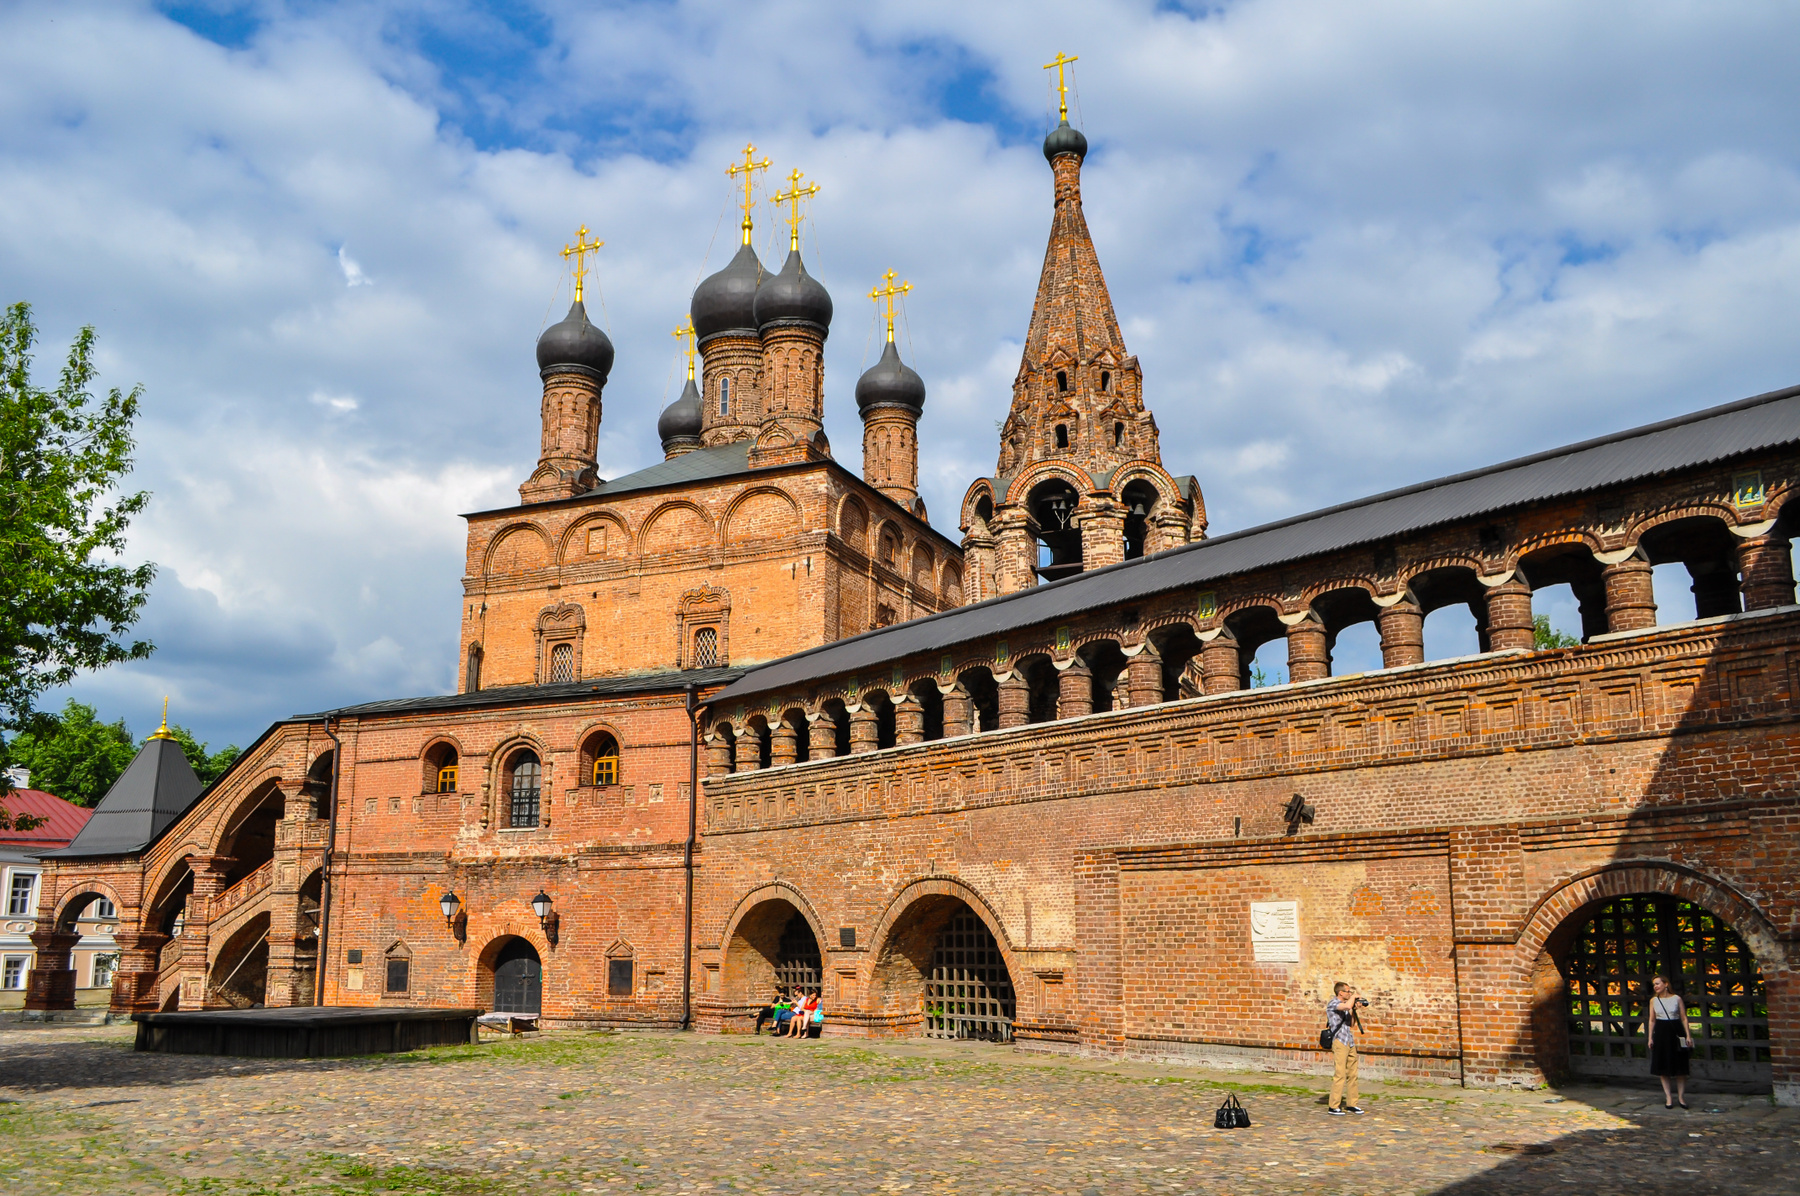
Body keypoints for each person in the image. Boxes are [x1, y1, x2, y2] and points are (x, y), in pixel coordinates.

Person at [1647, 974, 1691, 1109]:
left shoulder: (1677, 999)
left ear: (1666, 984)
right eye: (1654, 984)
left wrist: (1688, 1035)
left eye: (1658, 983)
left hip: (1675, 1031)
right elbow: (1652, 1020)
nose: (1655, 986)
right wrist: (1650, 1037)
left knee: (1680, 1067)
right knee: (1663, 1066)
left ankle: (1681, 1097)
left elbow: (1683, 1017)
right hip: (1661, 1032)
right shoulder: (1654, 1000)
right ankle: (1668, 1097)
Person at [1325, 981, 1366, 1115]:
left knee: (1352, 1074)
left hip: (1349, 1041)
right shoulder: (1333, 1003)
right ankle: (1334, 1106)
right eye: (1348, 991)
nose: (1349, 993)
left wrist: (1354, 1009)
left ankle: (1352, 1104)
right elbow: (1346, 1006)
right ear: (1340, 992)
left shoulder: (1347, 1007)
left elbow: (1351, 1024)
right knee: (1340, 1074)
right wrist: (1354, 998)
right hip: (1339, 1041)